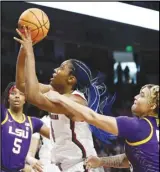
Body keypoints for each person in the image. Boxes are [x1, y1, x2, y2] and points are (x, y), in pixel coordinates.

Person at [13, 26, 114, 172]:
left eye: (61, 68)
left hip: (84, 166)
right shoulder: (55, 92)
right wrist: (23, 51)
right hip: (67, 167)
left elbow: (33, 97)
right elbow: (22, 85)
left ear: (71, 79)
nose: (55, 70)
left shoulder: (76, 101)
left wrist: (30, 52)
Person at [45, 84, 159, 172]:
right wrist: (101, 161)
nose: (136, 97)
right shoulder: (154, 128)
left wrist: (60, 98)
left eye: (142, 95)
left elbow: (93, 117)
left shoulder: (137, 126)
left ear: (152, 106)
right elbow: (129, 159)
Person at [1, 82, 50, 172]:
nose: (17, 96)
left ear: (25, 99)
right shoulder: (3, 114)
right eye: (13, 93)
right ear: (8, 98)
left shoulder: (34, 122)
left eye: (21, 94)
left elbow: (56, 136)